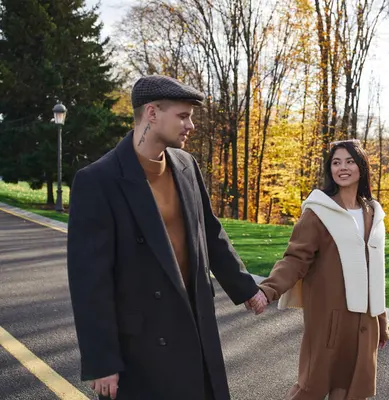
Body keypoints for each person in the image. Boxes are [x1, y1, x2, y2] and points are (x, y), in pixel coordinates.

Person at [66, 74, 267, 400]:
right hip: (142, 345)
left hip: (196, 327)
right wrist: (102, 360)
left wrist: (245, 287)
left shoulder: (186, 164)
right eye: (183, 115)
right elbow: (90, 281)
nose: (191, 125)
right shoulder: (98, 180)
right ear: (152, 113)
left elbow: (210, 232)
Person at [257, 139, 389, 400]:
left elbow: (376, 273)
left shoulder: (372, 214)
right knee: (311, 388)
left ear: (362, 167)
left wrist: (381, 322)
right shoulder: (319, 212)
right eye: (336, 162)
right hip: (330, 318)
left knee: (352, 389)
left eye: (350, 162)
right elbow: (295, 258)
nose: (343, 168)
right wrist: (268, 289)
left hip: (365, 321)